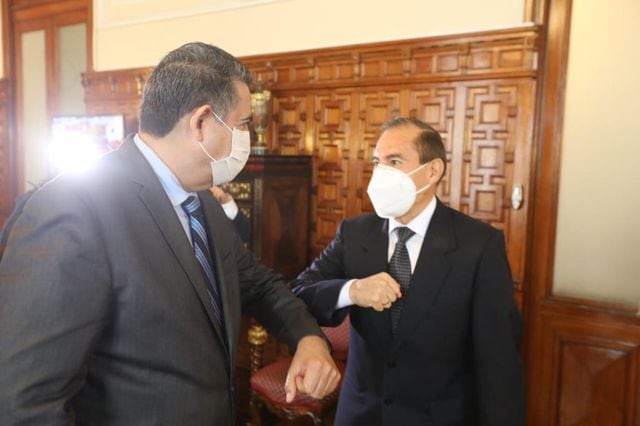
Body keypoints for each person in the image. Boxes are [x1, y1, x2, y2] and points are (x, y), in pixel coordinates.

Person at [0, 42, 340, 425]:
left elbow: (259, 283)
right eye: (244, 124)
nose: (249, 136)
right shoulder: (72, 209)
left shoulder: (202, 201)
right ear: (201, 122)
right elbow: (26, 402)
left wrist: (308, 338)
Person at [292, 117, 525, 425]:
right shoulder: (355, 233)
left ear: (432, 171)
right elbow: (301, 291)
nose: (381, 173)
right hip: (361, 414)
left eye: (395, 161)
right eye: (378, 162)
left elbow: (499, 362)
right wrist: (352, 290)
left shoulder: (479, 245)